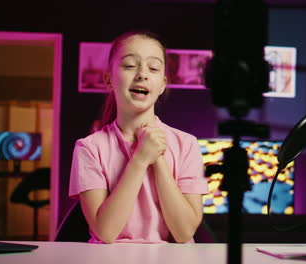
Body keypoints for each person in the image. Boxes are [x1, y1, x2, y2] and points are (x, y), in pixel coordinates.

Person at [69, 30, 209, 244]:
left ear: (162, 84)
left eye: (153, 68)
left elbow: (184, 233)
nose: (142, 74)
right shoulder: (89, 148)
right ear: (108, 80)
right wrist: (141, 158)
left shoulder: (187, 144)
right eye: (130, 65)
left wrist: (158, 158)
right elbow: (105, 232)